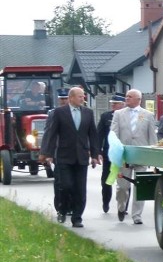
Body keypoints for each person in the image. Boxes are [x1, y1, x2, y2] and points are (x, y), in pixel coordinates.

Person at [39, 87, 101, 228]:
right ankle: (62, 209)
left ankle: (77, 218)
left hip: (81, 156)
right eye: (80, 96)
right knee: (66, 185)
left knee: (80, 189)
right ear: (71, 98)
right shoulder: (59, 113)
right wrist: (46, 153)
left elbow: (93, 135)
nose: (82, 99)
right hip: (64, 156)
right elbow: (51, 134)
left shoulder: (88, 113)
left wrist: (95, 155)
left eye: (83, 96)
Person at [110, 89, 157, 224]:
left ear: (138, 99)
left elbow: (152, 137)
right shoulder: (119, 114)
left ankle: (137, 215)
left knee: (140, 187)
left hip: (141, 155)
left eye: (130, 97)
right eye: (126, 96)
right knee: (122, 187)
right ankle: (121, 206)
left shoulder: (147, 115)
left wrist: (152, 157)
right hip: (124, 156)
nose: (127, 98)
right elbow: (114, 134)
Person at [40, 87, 69, 220]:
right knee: (59, 182)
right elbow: (48, 133)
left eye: (65, 99)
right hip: (58, 151)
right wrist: (46, 152)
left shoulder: (78, 112)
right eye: (61, 99)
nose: (63, 101)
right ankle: (60, 207)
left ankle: (71, 207)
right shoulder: (53, 113)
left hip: (73, 152)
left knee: (73, 183)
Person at [97, 93, 125, 213]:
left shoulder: (127, 116)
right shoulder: (105, 116)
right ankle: (106, 202)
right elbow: (99, 135)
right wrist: (97, 151)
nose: (113, 105)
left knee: (124, 181)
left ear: (123, 104)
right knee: (106, 180)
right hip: (109, 153)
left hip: (124, 154)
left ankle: (123, 206)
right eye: (112, 103)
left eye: (116, 103)